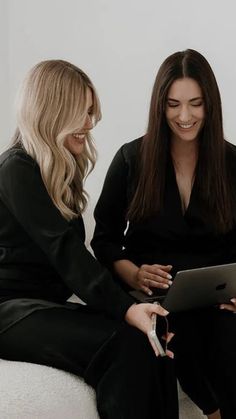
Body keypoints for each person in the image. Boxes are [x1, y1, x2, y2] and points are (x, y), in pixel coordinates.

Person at [0, 60, 178, 419]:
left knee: (151, 339)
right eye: (81, 112)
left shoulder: (57, 171)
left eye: (90, 112)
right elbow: (65, 253)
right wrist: (126, 309)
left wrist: (134, 301)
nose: (90, 122)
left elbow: (78, 259)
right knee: (124, 344)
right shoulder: (16, 168)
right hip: (9, 310)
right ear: (52, 111)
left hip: (41, 306)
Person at [91, 48, 236, 419]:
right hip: (154, 292)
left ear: (210, 105)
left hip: (214, 295)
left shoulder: (231, 161)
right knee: (172, 330)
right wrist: (134, 273)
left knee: (227, 333)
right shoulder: (131, 159)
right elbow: (104, 239)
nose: (184, 117)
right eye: (173, 105)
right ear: (160, 106)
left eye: (195, 104)